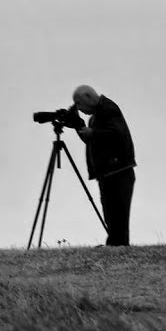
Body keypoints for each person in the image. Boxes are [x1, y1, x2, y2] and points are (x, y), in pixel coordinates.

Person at [71, 84, 136, 247]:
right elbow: (93, 141)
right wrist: (78, 126)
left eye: (79, 103)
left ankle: (119, 246)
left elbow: (117, 134)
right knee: (110, 211)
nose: (79, 108)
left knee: (118, 212)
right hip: (107, 172)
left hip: (119, 171)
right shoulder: (95, 117)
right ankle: (114, 244)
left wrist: (92, 133)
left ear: (88, 97)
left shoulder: (108, 109)